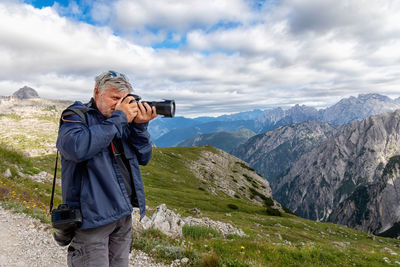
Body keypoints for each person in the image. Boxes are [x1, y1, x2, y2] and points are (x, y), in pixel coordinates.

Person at [56, 70, 157, 267]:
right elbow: (76, 148)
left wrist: (139, 127)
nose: (119, 104)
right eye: (114, 98)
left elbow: (144, 157)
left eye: (124, 99)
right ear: (96, 92)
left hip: (122, 217)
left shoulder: (121, 121)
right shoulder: (76, 116)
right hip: (92, 220)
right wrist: (119, 119)